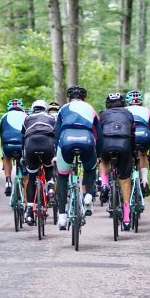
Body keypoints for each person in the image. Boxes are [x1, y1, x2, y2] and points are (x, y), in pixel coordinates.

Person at [54, 86, 102, 230]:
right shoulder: (91, 109)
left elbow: (56, 133)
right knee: (90, 168)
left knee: (62, 177)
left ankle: (62, 216)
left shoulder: (63, 109)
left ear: (69, 98)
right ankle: (88, 196)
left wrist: (57, 152)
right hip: (86, 140)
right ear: (84, 98)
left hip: (66, 141)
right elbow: (99, 135)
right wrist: (98, 155)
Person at [98, 93, 135, 230]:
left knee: (103, 160)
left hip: (106, 143)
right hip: (124, 144)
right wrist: (133, 153)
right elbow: (133, 134)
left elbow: (98, 134)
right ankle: (126, 218)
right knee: (125, 180)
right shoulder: (128, 114)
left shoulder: (102, 115)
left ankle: (105, 184)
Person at [20, 100, 56, 226]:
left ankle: (29, 212)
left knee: (32, 177)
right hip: (47, 143)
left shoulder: (27, 118)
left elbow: (22, 138)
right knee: (49, 168)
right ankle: (50, 186)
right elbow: (57, 136)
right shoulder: (51, 117)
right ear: (45, 108)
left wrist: (23, 156)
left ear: (32, 108)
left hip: (31, 144)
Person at [125, 90, 150, 196]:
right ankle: (144, 181)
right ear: (140, 102)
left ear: (128, 102)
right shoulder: (148, 111)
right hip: (144, 134)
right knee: (143, 154)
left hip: (129, 134)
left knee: (126, 155)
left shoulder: (124, 110)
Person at [0, 99, 27, 197]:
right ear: (22, 108)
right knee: (26, 176)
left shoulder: (4, 117)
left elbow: (1, 136)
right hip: (22, 146)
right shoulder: (26, 116)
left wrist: (2, 155)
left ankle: (8, 181)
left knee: (6, 156)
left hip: (8, 145)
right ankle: (27, 204)